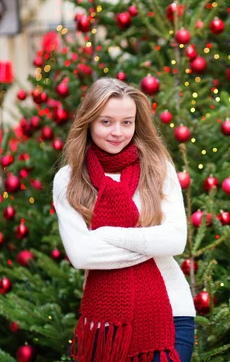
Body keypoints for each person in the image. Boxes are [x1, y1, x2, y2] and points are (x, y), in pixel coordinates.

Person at [52, 78, 196, 362]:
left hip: (171, 313)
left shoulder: (158, 169)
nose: (117, 132)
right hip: (106, 329)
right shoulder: (68, 180)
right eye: (106, 122)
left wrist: (105, 235)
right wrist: (149, 242)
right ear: (89, 122)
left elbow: (175, 240)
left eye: (127, 122)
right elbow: (82, 254)